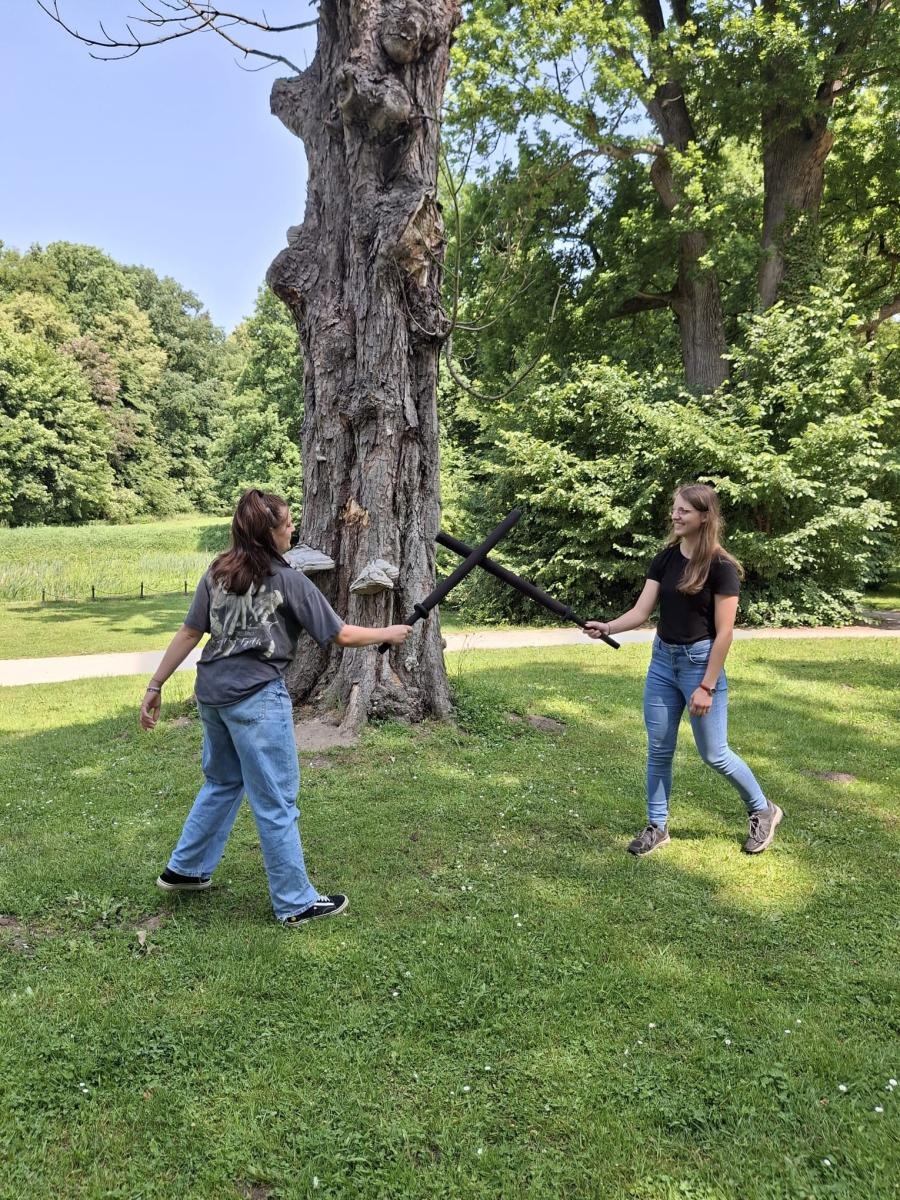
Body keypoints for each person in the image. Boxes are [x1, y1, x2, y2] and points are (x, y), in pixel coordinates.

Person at [139, 488, 411, 926]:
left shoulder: (217, 574)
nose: (292, 530)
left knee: (223, 783)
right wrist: (388, 633)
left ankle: (185, 871)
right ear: (268, 531)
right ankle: (295, 901)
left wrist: (156, 684)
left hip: (212, 696)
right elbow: (339, 634)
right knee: (276, 800)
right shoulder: (289, 581)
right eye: (286, 523)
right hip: (257, 700)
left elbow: (191, 633)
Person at [585, 483, 782, 856]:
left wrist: (706, 686)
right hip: (662, 661)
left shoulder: (722, 568)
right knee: (659, 748)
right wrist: (608, 627)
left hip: (699, 665)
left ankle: (763, 809)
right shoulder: (665, 559)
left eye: (684, 511)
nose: (675, 516)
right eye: (675, 509)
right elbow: (642, 612)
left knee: (715, 753)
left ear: (705, 517)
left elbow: (725, 634)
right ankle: (657, 827)